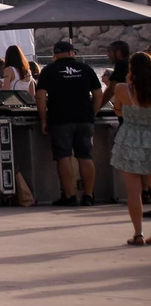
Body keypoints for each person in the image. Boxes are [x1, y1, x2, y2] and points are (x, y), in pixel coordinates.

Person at [35, 40, 103, 206]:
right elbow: (98, 94)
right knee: (85, 156)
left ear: (55, 54)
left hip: (60, 119)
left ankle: (70, 196)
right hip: (84, 118)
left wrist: (43, 119)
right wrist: (92, 113)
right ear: (72, 53)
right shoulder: (86, 69)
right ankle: (88, 196)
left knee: (63, 157)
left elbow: (40, 96)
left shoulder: (48, 70)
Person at [107, 52, 151, 245]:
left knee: (134, 191)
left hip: (131, 138)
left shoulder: (122, 89)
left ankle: (138, 234)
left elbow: (117, 110)